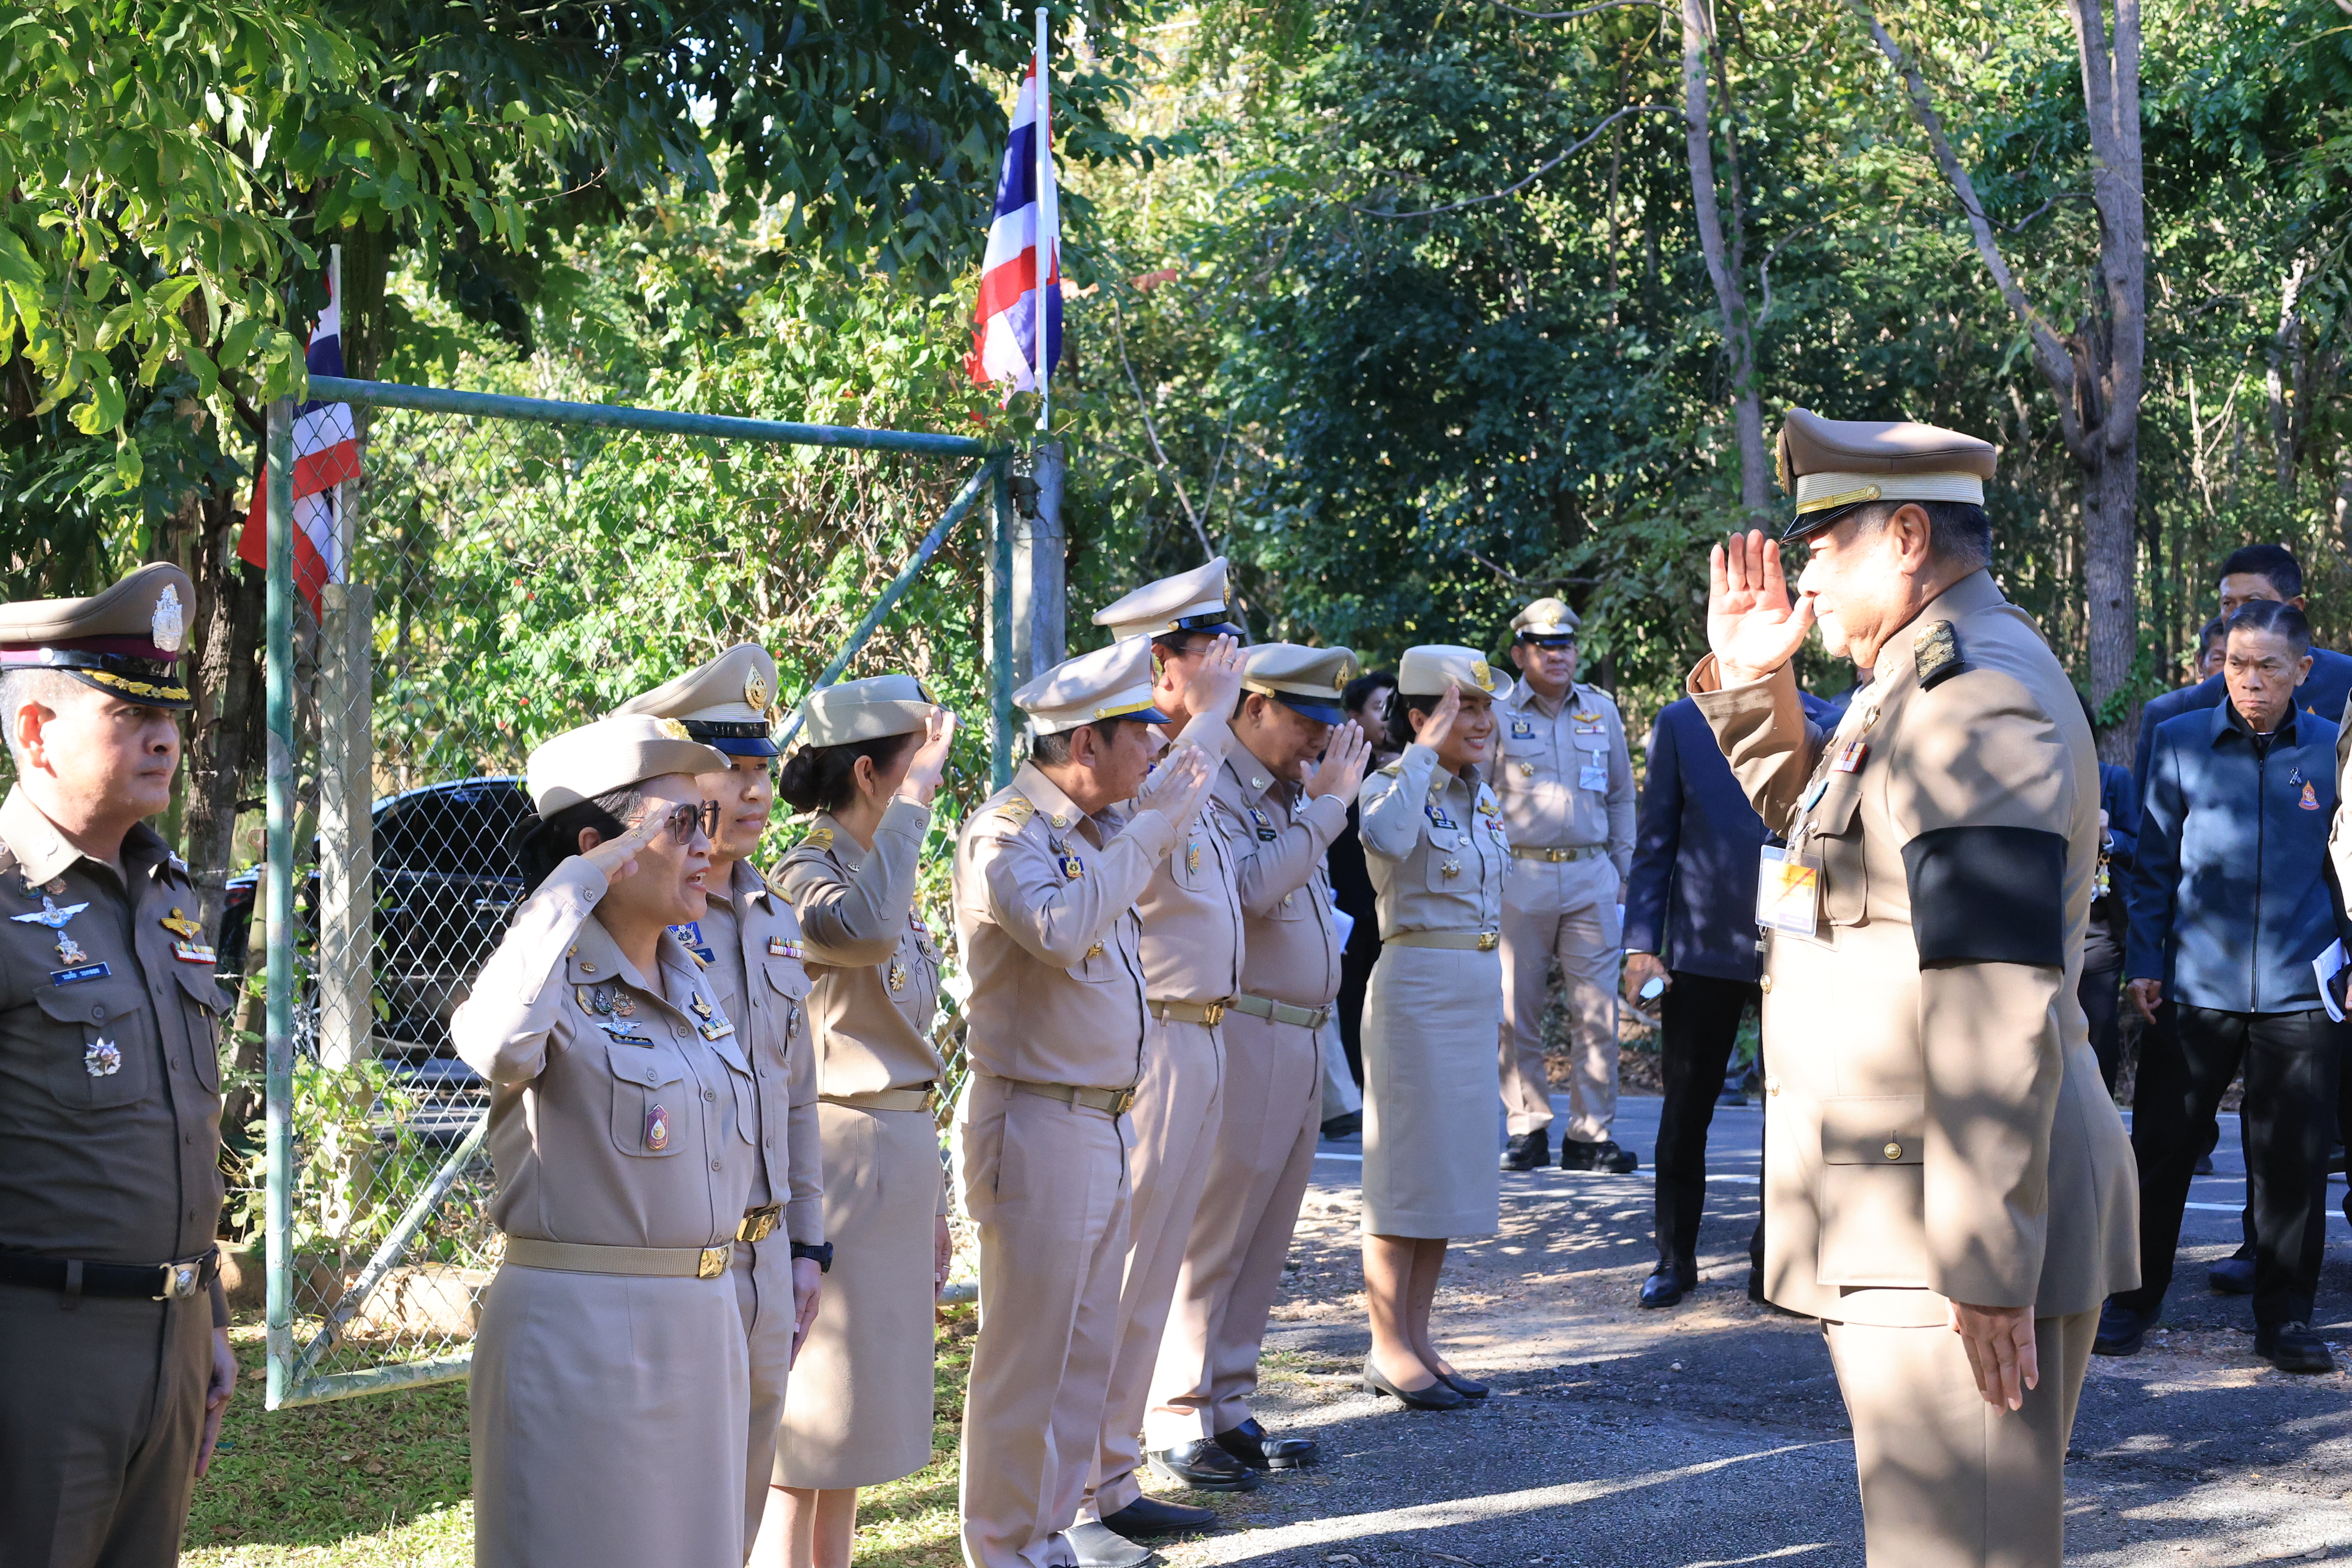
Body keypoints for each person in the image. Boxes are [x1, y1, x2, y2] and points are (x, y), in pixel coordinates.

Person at [1697, 407, 2135, 1567]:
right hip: (1911, 1211)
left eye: (1822, 548)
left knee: (1965, 1552)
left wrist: (1986, 1263)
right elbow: (1845, 851)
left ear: (1903, 536)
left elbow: (1994, 988)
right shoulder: (1916, 677)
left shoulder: (1973, 692)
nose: (1801, 582)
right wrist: (1753, 688)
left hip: (1952, 1226)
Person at [456, 714, 759, 1568]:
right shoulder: (549, 976)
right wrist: (570, 888)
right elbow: (494, 1043)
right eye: (680, 822)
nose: (708, 842)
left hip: (703, 1329)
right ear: (600, 847)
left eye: (709, 818)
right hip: (582, 1340)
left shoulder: (692, 982)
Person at [950, 636, 1217, 1568]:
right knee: (1027, 1358)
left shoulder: (1099, 831)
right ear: (1084, 746)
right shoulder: (1008, 833)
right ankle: (1000, 1544)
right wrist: (1148, 830)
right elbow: (1061, 930)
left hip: (1103, 1118)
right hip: (1034, 1120)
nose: (1154, 749)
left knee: (1083, 1347)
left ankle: (1055, 1530)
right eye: (1138, 733)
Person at [0, 563, 237, 1566]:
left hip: (171, 1345)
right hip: (38, 1355)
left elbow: (186, 1131)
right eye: (126, 710)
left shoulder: (169, 899)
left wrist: (211, 1318)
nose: (165, 737)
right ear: (36, 733)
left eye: (170, 713)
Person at [614, 645, 827, 1558]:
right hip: (675, 1256)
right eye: (727, 772)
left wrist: (809, 1242)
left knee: (745, 1487)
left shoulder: (776, 918)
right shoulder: (644, 911)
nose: (750, 792)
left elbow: (798, 1098)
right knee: (662, 1496)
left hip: (767, 1252)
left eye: (760, 770)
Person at [1143, 644, 1370, 1482]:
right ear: (1253, 709)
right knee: (1215, 1230)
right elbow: (1248, 890)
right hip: (1244, 1031)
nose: (1320, 737)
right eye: (1306, 719)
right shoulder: (1218, 784)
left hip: (1301, 1034)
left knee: (1268, 1232)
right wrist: (1326, 809)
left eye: (1327, 722)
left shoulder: (1283, 791)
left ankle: (1229, 1402)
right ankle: (1177, 1414)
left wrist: (1314, 803)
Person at [2101, 599, 2343, 1375]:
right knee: (2162, 1150)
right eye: (2238, 664)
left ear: (2303, 672)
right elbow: (2152, 868)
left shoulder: (2331, 754)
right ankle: (2132, 1298)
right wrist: (2146, 962)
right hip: (2194, 986)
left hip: (2302, 991)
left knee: (2291, 1159)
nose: (2251, 681)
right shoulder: (2176, 744)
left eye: (2269, 666)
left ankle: (2287, 1317)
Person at [1073, 562, 1258, 1552]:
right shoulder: (1132, 761)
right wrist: (1213, 723)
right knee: (1115, 1274)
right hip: (1147, 1043)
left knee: (1148, 1279)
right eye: (1211, 654)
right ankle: (1074, 1491)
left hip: (1201, 1035)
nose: (1228, 669)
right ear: (1160, 664)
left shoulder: (1188, 754)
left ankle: (1111, 1471)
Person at [763, 676, 959, 1568]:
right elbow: (868, 934)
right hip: (836, 1160)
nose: (936, 777)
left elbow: (913, 1042)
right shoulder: (805, 871)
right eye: (920, 761)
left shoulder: (887, 870)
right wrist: (914, 809)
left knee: (857, 1435)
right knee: (806, 1435)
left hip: (898, 1155)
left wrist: (936, 1198)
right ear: (875, 773)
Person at [1620, 675, 1834, 1311]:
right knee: (1687, 1108)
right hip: (1703, 946)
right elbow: (1655, 843)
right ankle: (1673, 1256)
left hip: (1797, 947)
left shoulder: (1825, 717)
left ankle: (1776, 1262)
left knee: (1793, 1114)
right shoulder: (1683, 724)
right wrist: (1641, 945)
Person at [1355, 646, 1508, 1412]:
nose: (1481, 722)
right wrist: (1419, 754)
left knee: (1445, 1173)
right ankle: (1387, 1347)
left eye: (1484, 708)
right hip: (1416, 994)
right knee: (1405, 1177)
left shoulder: (1478, 795)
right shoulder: (1394, 785)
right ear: (1420, 718)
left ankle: (1419, 1338)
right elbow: (1383, 841)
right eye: (1462, 708)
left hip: (1473, 994)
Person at [1491, 599, 1637, 1174]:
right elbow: (1477, 796)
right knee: (1514, 1010)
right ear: (1521, 653)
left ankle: (1590, 1134)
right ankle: (1527, 1127)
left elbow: (1623, 796)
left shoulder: (1601, 711)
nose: (1558, 655)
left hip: (1591, 874)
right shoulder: (1498, 714)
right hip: (1519, 874)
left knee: (1597, 1010)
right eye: (1545, 646)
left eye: (1567, 645)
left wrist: (1623, 873)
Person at [2132, 545, 2352, 790]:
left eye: (2253, 601)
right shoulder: (2192, 705)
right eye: (2228, 603)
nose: (2240, 614)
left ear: (2295, 607)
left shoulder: (2345, 683)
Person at [1327, 668, 1399, 1113]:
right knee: (1352, 1005)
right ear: (1354, 715)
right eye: (1379, 708)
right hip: (1351, 914)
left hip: (1392, 912)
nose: (1388, 718)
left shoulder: (1414, 768)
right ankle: (1353, 1094)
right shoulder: (1338, 765)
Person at [2077, 690, 2137, 1095]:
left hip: (2097, 932)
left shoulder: (2113, 780)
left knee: (2098, 1030)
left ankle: (2101, 1119)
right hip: (2047, 928)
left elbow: (2141, 845)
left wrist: (2106, 835)